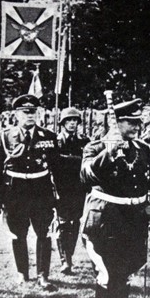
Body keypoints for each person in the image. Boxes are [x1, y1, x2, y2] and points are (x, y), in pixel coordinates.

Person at [80, 99, 150, 298]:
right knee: (108, 275)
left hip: (133, 222)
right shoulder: (95, 148)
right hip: (106, 220)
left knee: (125, 275)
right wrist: (110, 151)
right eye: (131, 122)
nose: (137, 126)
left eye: (138, 121)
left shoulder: (143, 149)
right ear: (114, 123)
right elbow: (86, 176)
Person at [0, 94, 61, 289]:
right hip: (15, 192)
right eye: (25, 112)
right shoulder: (5, 136)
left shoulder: (49, 136)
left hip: (41, 191)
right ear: (16, 114)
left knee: (43, 233)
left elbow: (57, 169)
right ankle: (22, 273)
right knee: (17, 233)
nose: (30, 116)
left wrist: (59, 197)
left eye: (33, 112)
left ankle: (43, 275)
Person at [56, 107, 90, 275]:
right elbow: (54, 163)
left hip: (78, 188)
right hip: (61, 188)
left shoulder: (84, 142)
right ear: (62, 123)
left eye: (75, 121)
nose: (72, 124)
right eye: (68, 121)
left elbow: (88, 162)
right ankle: (65, 261)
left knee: (75, 222)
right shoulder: (57, 141)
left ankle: (69, 254)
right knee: (62, 223)